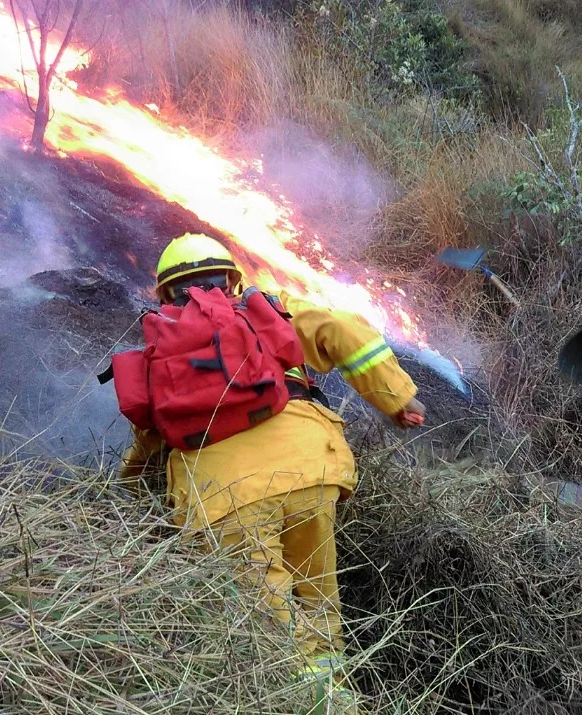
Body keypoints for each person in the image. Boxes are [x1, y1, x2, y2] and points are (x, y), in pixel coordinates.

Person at [117, 233, 425, 711]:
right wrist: (398, 398)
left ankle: (325, 703)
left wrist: (127, 490)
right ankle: (334, 682)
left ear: (165, 294)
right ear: (233, 279)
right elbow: (343, 331)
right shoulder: (269, 308)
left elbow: (148, 437)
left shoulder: (163, 350)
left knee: (280, 638)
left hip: (226, 500)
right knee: (319, 607)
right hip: (312, 469)